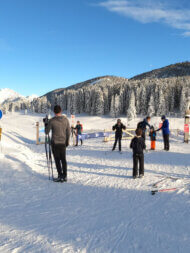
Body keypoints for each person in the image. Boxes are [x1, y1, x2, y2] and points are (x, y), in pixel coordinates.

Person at [45, 105, 70, 182]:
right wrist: (67, 142)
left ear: (54, 112)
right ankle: (64, 176)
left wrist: (46, 123)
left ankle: (60, 175)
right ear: (61, 111)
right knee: (63, 159)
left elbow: (46, 132)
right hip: (63, 143)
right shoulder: (66, 120)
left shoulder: (52, 121)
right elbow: (68, 132)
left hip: (55, 143)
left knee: (57, 160)